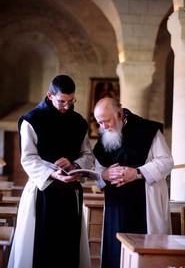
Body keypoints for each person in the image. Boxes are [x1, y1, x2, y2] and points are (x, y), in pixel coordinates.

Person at [8, 75, 94, 268]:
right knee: (39, 250)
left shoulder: (79, 122)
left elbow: (87, 154)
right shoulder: (31, 120)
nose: (67, 106)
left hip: (70, 193)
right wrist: (52, 173)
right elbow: (28, 158)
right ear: (49, 95)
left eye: (71, 101)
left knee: (68, 250)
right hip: (42, 191)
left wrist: (74, 165)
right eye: (62, 101)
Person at [93, 97, 174, 268]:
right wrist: (105, 175)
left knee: (144, 254)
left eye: (106, 121)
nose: (103, 127)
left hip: (145, 201)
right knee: (115, 253)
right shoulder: (104, 139)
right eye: (99, 123)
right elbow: (99, 172)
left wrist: (136, 173)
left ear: (120, 113)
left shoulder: (148, 130)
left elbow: (166, 161)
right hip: (115, 206)